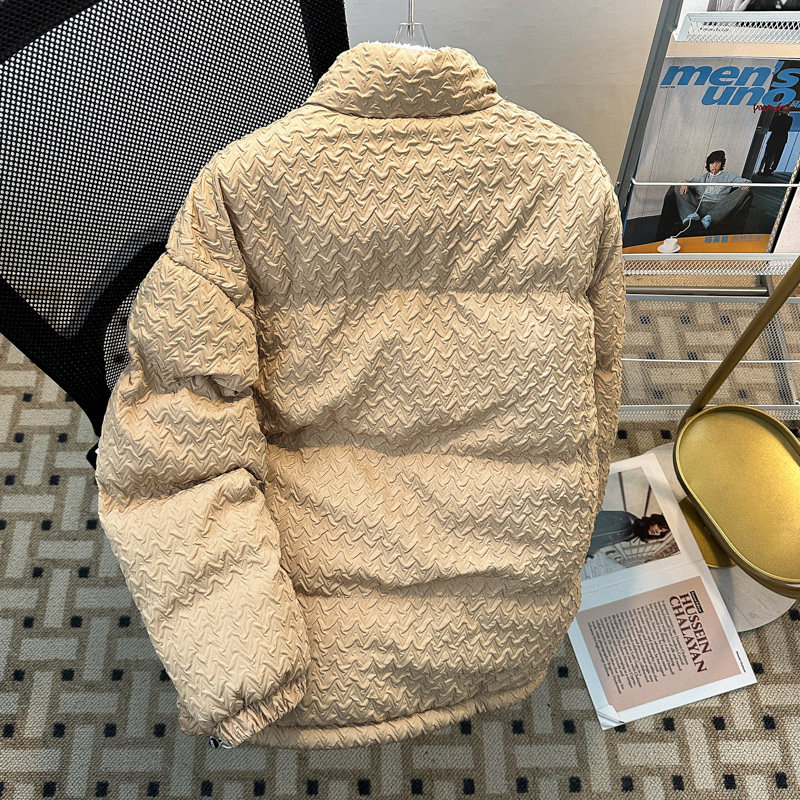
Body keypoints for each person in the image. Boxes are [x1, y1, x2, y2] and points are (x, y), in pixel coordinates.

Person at [675, 150, 751, 230]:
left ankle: (708, 220)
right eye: (712, 163)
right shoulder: (702, 177)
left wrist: (747, 183)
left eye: (717, 163)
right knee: (678, 186)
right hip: (699, 206)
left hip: (718, 207)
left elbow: (745, 181)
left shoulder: (728, 175)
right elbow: (688, 182)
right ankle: (691, 219)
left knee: (745, 190)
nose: (714, 166)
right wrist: (684, 183)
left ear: (721, 164)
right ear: (708, 164)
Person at [585, 511, 671, 559]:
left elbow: (605, 541)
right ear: (654, 521)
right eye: (659, 527)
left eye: (661, 533)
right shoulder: (628, 520)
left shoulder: (634, 534)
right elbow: (599, 517)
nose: (657, 532)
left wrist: (590, 553)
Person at [759, 111, 793, 175]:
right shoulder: (789, 119)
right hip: (782, 139)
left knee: (769, 154)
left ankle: (765, 169)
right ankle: (770, 169)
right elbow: (787, 128)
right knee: (777, 155)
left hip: (774, 138)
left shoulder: (777, 118)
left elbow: (772, 127)